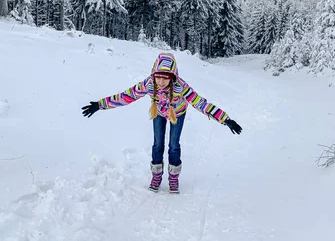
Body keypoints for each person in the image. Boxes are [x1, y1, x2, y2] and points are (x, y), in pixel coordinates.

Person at [81, 52, 242, 194]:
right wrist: (100, 105)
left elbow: (201, 103)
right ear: (154, 74)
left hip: (177, 113)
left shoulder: (181, 87)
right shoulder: (149, 84)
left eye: (166, 78)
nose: (161, 82)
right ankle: (156, 176)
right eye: (159, 77)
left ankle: (173, 177)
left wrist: (225, 119)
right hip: (158, 111)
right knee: (158, 144)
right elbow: (126, 96)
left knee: (173, 145)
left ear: (172, 77)